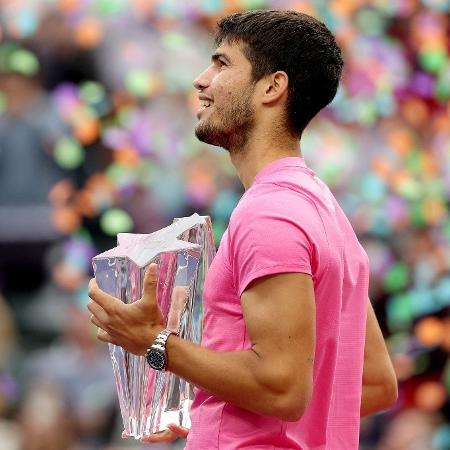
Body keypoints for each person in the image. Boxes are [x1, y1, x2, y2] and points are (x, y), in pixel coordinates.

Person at [88, 9, 398, 449]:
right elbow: (371, 383)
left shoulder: (270, 214)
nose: (200, 80)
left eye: (221, 64)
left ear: (272, 86)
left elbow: (283, 390)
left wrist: (154, 342)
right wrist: (215, 410)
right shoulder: (323, 208)